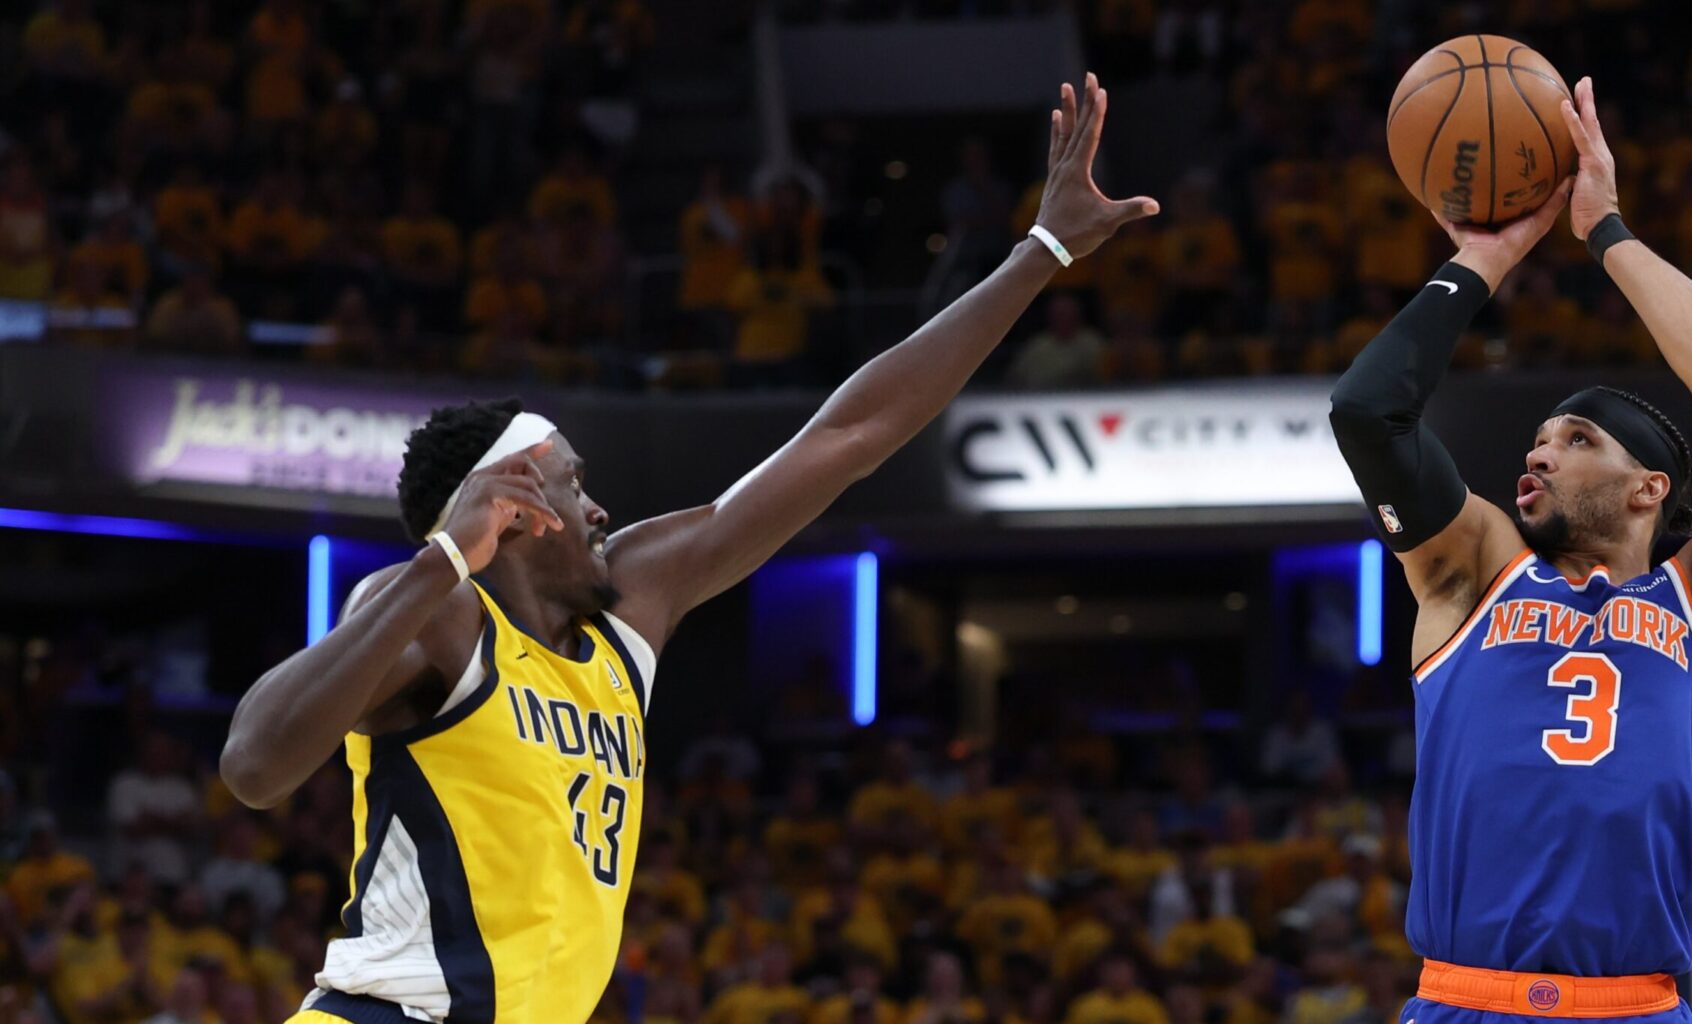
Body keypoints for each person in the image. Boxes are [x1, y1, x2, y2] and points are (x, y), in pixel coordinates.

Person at [220, 74, 1157, 1024]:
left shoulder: (630, 604)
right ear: (509, 508)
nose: (599, 508)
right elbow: (254, 768)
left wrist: (1040, 252)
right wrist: (441, 561)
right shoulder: (441, 617)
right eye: (572, 484)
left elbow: (847, 438)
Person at [1327, 77, 1692, 1023]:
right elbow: (1367, 411)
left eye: (1576, 440)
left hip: (1633, 1005)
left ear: (1650, 488)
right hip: (1464, 1000)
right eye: (1539, 439)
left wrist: (1605, 231)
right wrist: (1484, 258)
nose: (1538, 453)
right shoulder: (1478, 571)